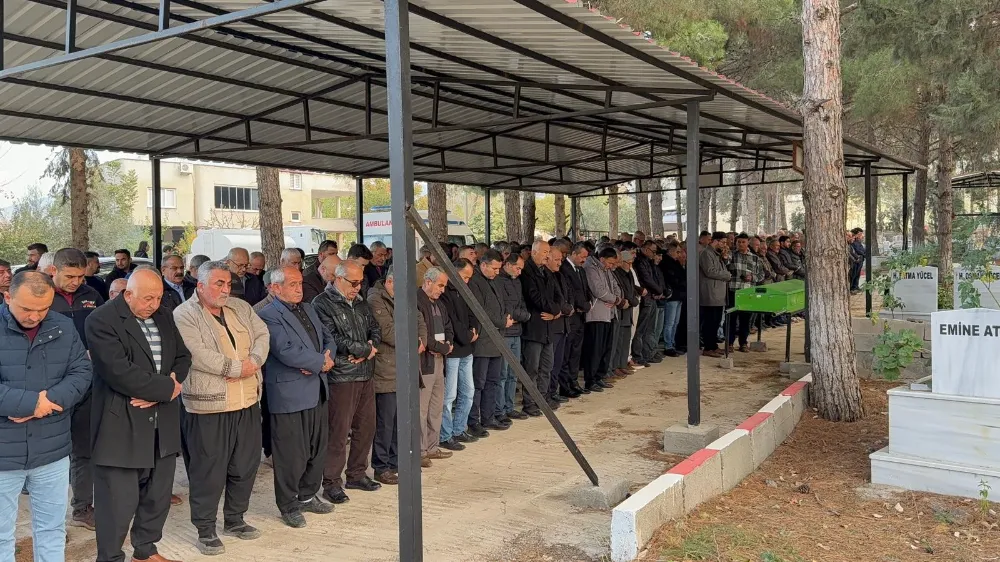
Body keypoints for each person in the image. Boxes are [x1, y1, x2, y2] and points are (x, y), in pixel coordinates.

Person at [85, 269, 188, 562]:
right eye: (147, 298)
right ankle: (110, 557)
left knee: (157, 496)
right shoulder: (102, 320)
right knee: (117, 503)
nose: (153, 304)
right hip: (122, 422)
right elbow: (118, 371)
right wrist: (165, 389)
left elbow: (183, 357)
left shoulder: (163, 315)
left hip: (162, 422)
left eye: (158, 298)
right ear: (128, 294)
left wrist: (168, 387)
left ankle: (145, 551)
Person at [173, 261, 270, 555]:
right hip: (209, 407)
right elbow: (197, 353)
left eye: (228, 284)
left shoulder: (240, 308)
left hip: (247, 400)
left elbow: (263, 335)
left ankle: (235, 520)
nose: (226, 289)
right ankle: (205, 530)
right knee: (208, 471)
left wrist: (254, 362)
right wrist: (237, 368)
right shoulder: (184, 314)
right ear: (201, 285)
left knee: (245, 464)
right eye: (219, 284)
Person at [1, 272, 92, 562]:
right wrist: (29, 404)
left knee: (51, 529)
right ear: (7, 296)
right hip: (3, 453)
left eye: (43, 309)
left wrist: (49, 402)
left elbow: (82, 372)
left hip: (52, 450)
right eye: (27, 309)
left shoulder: (62, 326)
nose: (35, 316)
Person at [257, 267, 337, 528]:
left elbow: (328, 337)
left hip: (316, 388)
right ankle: (288, 505)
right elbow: (285, 350)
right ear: (275, 288)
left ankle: (307, 496)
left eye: (300, 283)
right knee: (291, 454)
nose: (299, 289)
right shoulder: (268, 315)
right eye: (292, 284)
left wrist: (326, 358)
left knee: (316, 448)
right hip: (289, 394)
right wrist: (319, 362)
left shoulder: (309, 308)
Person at [312, 260, 383, 504]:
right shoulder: (322, 303)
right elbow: (332, 338)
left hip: (365, 372)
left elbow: (375, 328)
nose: (358, 287)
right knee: (339, 432)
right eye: (353, 283)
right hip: (341, 376)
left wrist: (369, 348)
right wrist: (365, 350)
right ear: (338, 279)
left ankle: (357, 474)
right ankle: (331, 482)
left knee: (366, 427)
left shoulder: (361, 302)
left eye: (361, 282)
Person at [47, 248, 105, 530]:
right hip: (51, 388)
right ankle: (51, 522)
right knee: (51, 457)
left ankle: (82, 507)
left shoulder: (92, 295)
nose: (76, 282)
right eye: (69, 276)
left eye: (80, 276)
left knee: (83, 449)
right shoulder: (41, 296)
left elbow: (105, 330)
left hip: (87, 385)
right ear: (53, 271)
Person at [368, 266, 427, 483]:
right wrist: (413, 341)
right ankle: (381, 466)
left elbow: (420, 320)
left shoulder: (403, 296)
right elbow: (388, 332)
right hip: (386, 370)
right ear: (391, 282)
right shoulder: (375, 299)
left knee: (399, 421)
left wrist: (422, 340)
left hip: (404, 368)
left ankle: (396, 461)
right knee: (385, 423)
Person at [468, 250, 511, 432]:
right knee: (478, 383)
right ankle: (473, 421)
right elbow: (481, 310)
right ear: (483, 265)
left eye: (499, 268)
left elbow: (503, 303)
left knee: (493, 381)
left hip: (497, 339)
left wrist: (506, 317)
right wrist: (502, 322)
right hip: (482, 341)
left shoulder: (496, 281)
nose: (497, 272)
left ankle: (488, 417)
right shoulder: (475, 282)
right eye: (494, 268)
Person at [439, 259, 481, 443]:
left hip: (467, 349)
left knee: (468, 392)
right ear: (454, 272)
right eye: (464, 277)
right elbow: (451, 321)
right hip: (453, 350)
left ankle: (459, 429)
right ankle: (446, 435)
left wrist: (473, 331)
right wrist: (466, 336)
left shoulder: (466, 290)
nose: (467, 281)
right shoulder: (445, 292)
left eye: (469, 278)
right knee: (449, 396)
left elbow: (474, 313)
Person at [415, 268, 454, 463]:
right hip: (425, 362)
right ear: (428, 282)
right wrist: (441, 347)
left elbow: (448, 327)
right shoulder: (416, 300)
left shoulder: (440, 304)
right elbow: (422, 333)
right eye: (440, 285)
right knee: (421, 409)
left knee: (436, 407)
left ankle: (432, 447)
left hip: (440, 360)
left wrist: (448, 345)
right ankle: (420, 451)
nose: (442, 290)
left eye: (444, 286)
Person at [520, 241, 562, 415]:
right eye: (544, 252)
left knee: (547, 366)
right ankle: (530, 402)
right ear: (534, 252)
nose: (547, 255)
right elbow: (534, 297)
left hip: (548, 327)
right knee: (532, 368)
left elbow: (558, 296)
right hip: (534, 328)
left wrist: (556, 312)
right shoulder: (527, 271)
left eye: (548, 252)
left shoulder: (546, 272)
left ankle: (543, 398)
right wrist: (554, 309)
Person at [494, 253, 530, 419]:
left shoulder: (517, 281)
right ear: (507, 264)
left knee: (513, 373)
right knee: (502, 374)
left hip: (516, 331)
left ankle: (509, 407)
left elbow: (522, 303)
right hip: (504, 333)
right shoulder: (498, 281)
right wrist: (522, 316)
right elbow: (505, 307)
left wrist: (523, 315)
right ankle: (499, 409)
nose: (519, 272)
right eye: (517, 268)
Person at [583, 245, 621, 392]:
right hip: (596, 315)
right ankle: (590, 380)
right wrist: (614, 299)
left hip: (609, 314)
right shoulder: (591, 268)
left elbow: (616, 287)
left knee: (605, 348)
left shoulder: (606, 269)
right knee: (595, 349)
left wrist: (616, 299)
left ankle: (600, 377)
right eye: (610, 263)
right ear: (602, 259)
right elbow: (598, 290)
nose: (611, 266)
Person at [558, 241, 591, 398]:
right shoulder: (564, 269)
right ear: (574, 254)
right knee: (567, 353)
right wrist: (579, 305)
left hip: (580, 316)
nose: (584, 260)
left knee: (576, 352)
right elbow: (570, 292)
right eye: (582, 257)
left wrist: (588, 304)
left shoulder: (581, 270)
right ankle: (565, 386)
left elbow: (586, 290)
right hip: (571, 316)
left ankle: (573, 381)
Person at [543, 244, 573, 404]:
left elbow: (567, 296)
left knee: (559, 361)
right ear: (547, 259)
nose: (559, 263)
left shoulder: (560, 275)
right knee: (550, 363)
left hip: (563, 324)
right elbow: (553, 300)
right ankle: (547, 392)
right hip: (553, 326)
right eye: (556, 260)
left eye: (561, 260)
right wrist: (562, 310)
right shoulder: (545, 276)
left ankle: (553, 391)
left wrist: (569, 308)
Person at [726, 234, 763, 352]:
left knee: (745, 319)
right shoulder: (731, 255)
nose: (741, 244)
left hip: (748, 292)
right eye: (738, 242)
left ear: (748, 243)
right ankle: (729, 343)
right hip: (733, 290)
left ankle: (743, 343)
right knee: (731, 318)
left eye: (743, 242)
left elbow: (761, 275)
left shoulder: (755, 258)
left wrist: (752, 277)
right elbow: (725, 266)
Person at [699, 233, 731, 357]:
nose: (724, 245)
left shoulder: (716, 254)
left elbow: (722, 267)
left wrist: (725, 258)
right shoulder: (706, 253)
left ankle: (713, 345)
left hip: (718, 293)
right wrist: (727, 275)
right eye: (723, 242)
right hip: (710, 293)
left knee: (716, 321)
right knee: (710, 321)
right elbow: (710, 271)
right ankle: (708, 347)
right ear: (715, 241)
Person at [633, 240, 664, 365]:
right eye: (653, 251)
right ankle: (639, 356)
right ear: (646, 249)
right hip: (646, 298)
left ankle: (648, 352)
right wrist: (658, 290)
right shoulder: (640, 262)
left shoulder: (648, 262)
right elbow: (646, 279)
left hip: (651, 297)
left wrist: (660, 290)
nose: (654, 254)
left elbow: (654, 278)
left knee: (650, 328)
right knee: (641, 330)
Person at [612, 250, 639, 376]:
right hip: (622, 310)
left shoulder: (629, 273)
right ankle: (616, 366)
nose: (630, 265)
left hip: (629, 309)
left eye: (631, 263)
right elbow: (623, 291)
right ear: (622, 262)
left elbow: (632, 289)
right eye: (628, 263)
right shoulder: (617, 273)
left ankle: (622, 364)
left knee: (626, 339)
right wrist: (632, 300)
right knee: (619, 340)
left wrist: (634, 300)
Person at [660, 242, 686, 357]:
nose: (679, 254)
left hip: (679, 295)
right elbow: (672, 279)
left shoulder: (675, 262)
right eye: (677, 252)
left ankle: (672, 343)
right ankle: (668, 346)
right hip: (672, 296)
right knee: (670, 323)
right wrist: (682, 283)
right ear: (671, 251)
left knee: (675, 322)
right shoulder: (666, 263)